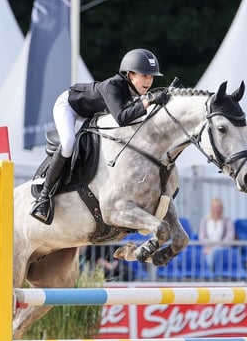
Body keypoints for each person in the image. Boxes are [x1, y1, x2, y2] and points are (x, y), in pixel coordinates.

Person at [30, 48, 169, 225]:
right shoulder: (112, 86)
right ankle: (43, 198)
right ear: (130, 75)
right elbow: (121, 118)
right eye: (145, 76)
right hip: (69, 107)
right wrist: (149, 101)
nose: (149, 81)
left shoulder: (135, 93)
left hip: (91, 115)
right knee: (68, 144)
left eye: (151, 77)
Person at [199, 197, 235, 268]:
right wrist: (210, 246)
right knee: (210, 253)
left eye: (219, 207)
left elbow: (229, 237)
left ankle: (210, 272)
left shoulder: (227, 221)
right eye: (215, 207)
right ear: (211, 208)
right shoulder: (204, 221)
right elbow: (202, 237)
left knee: (215, 252)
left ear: (222, 209)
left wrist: (218, 246)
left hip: (223, 249)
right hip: (208, 249)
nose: (217, 210)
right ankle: (211, 272)